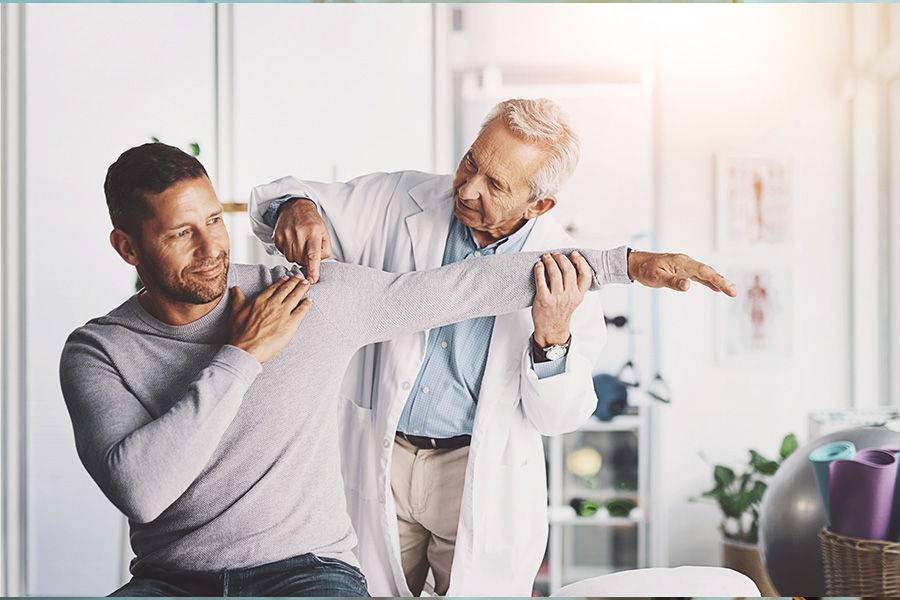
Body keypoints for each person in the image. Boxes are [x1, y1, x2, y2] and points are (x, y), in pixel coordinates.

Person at [60, 142, 731, 597]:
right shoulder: (98, 350)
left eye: (214, 220)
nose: (211, 248)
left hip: (305, 576)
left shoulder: (300, 295)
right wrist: (242, 355)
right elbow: (142, 490)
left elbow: (459, 286)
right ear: (127, 246)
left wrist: (628, 265)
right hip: (171, 582)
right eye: (181, 233)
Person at [248, 98, 738, 596]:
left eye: (495, 184)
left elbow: (559, 418)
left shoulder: (565, 270)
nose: (466, 188)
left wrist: (552, 337)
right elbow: (284, 196)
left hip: (473, 472)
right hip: (381, 454)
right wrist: (298, 208)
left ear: (538, 205)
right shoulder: (402, 199)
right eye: (470, 162)